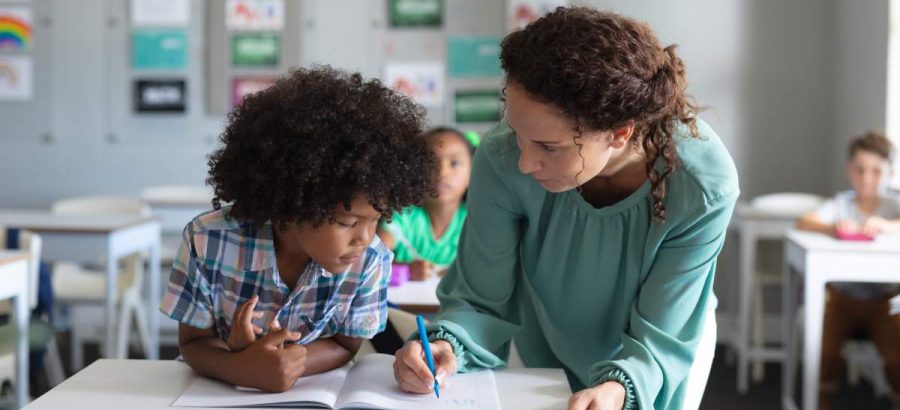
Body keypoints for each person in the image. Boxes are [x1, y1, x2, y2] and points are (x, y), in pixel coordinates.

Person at [391, 7, 739, 410]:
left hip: (661, 351)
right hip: (544, 334)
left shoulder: (702, 185)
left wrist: (619, 387)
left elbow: (664, 331)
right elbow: (480, 298)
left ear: (619, 133)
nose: (524, 163)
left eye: (548, 147)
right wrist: (445, 344)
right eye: (518, 134)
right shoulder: (501, 156)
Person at [159, 66, 435, 393]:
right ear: (293, 203)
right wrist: (240, 367)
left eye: (376, 219)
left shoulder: (371, 260)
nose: (364, 238)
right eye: (347, 222)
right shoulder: (208, 240)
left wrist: (289, 360)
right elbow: (193, 342)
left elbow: (346, 345)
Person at [796, 130, 900, 410]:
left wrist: (887, 226)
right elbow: (805, 222)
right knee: (825, 354)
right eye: (860, 170)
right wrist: (833, 227)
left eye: (876, 171)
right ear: (850, 170)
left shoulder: (893, 205)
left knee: (896, 357)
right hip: (842, 300)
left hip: (886, 302)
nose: (867, 178)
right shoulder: (842, 204)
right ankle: (822, 401)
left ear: (889, 173)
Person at [379, 127, 475, 280]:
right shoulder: (402, 217)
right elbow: (371, 261)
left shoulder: (477, 223)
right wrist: (406, 269)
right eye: (430, 162)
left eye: (455, 163)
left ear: (473, 172)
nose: (442, 172)